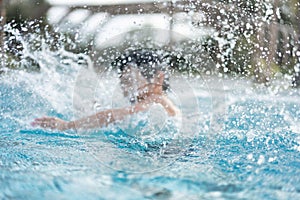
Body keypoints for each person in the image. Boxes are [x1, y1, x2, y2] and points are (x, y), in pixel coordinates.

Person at [31, 49, 181, 131]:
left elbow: (115, 115)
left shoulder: (158, 100)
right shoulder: (146, 108)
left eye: (130, 81)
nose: (125, 89)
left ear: (158, 79)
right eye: (122, 82)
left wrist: (67, 125)